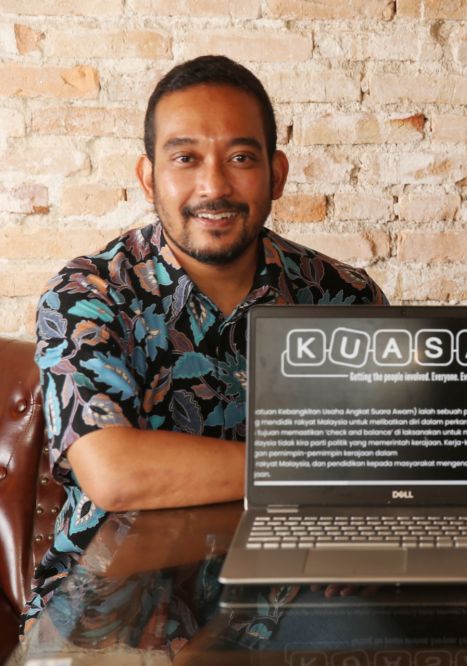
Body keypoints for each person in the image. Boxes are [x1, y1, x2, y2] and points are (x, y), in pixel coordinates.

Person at [24, 55, 386, 648]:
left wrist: (380, 530)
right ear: (149, 177)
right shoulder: (89, 295)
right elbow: (113, 472)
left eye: (241, 159)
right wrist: (315, 468)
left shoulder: (343, 297)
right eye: (185, 158)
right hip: (113, 594)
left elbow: (390, 463)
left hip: (297, 595)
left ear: (277, 173)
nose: (213, 186)